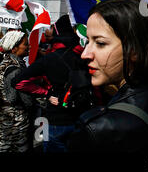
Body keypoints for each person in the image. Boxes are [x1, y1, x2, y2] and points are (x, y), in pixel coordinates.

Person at [66, 0, 148, 152]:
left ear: (134, 50)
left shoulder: (97, 129)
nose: (85, 54)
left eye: (100, 43)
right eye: (87, 41)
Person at [12, 14, 94, 152]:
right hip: (82, 117)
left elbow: (18, 82)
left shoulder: (49, 58)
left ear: (57, 33)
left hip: (55, 119)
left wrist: (46, 93)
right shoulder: (85, 57)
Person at [0, 31, 32, 152]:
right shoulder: (15, 68)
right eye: (25, 44)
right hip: (15, 122)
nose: (29, 47)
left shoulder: (4, 64)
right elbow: (16, 98)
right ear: (14, 48)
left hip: (2, 118)